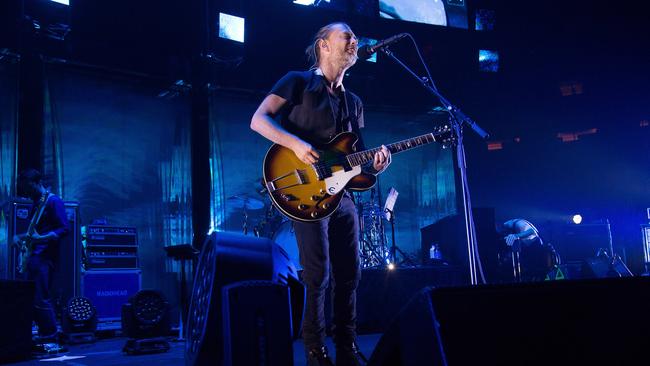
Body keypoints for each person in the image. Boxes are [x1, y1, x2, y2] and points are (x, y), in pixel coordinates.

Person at [251, 22, 391, 366]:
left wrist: (375, 164)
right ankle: (315, 350)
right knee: (318, 273)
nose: (355, 41)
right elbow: (259, 120)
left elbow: (355, 158)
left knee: (350, 275)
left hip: (342, 196)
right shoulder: (297, 81)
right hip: (304, 190)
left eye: (356, 38)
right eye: (347, 37)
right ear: (323, 45)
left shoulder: (354, 102)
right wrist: (296, 144)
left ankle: (346, 346)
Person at [16, 169, 69, 343]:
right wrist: (20, 237)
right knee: (32, 298)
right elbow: (35, 232)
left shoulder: (53, 201)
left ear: (37, 182)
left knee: (41, 298)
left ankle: (51, 337)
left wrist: (41, 239)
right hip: (34, 256)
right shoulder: (36, 203)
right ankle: (43, 334)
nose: (26, 190)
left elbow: (64, 229)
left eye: (28, 186)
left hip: (45, 257)